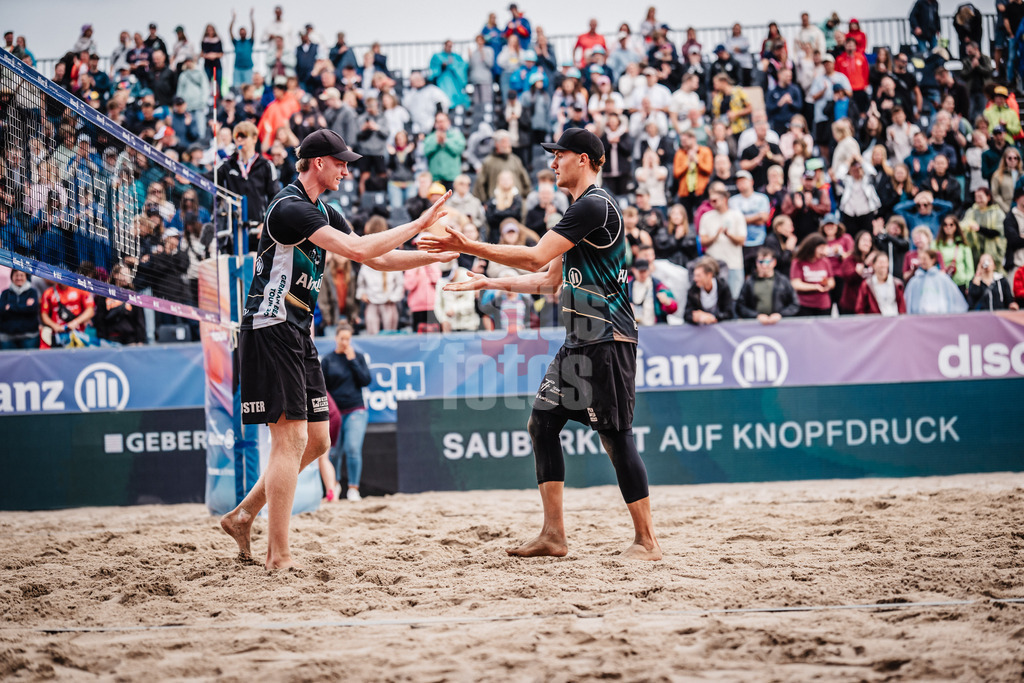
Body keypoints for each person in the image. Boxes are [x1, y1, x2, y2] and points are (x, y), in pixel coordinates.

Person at [419, 128, 661, 561]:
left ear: (584, 160)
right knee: (542, 423)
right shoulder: (578, 212)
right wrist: (490, 280)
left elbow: (533, 256)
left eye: (560, 155)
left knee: (616, 436)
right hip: (580, 339)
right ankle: (553, 535)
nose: (553, 164)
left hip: (607, 336)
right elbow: (548, 279)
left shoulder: (594, 205)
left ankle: (647, 542)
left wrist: (468, 245)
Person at [220, 129, 456, 570]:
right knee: (289, 440)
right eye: (341, 162)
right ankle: (279, 556)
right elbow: (357, 247)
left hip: (298, 329)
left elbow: (376, 258)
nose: (347, 170)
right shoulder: (290, 207)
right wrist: (421, 224)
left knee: (318, 439)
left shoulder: (323, 208)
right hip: (271, 325)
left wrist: (434, 256)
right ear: (317, 163)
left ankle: (243, 514)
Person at [320, 324, 371, 502]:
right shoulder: (327, 360)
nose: (344, 342)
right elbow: (322, 388)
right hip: (335, 412)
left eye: (348, 339)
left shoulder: (358, 357)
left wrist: (353, 361)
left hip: (356, 408)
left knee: (353, 449)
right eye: (342, 338)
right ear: (336, 338)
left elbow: (365, 380)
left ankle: (353, 488)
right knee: (333, 452)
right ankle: (334, 485)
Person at [699, 182, 747, 297]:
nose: (712, 203)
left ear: (724, 199)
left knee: (735, 296)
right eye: (711, 201)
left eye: (715, 200)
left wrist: (728, 235)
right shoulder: (706, 217)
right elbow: (703, 241)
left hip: (733, 264)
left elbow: (742, 240)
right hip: (714, 265)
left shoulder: (737, 215)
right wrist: (715, 236)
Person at [735, 247, 800, 324]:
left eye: (767, 261)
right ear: (756, 263)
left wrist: (780, 315)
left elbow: (795, 304)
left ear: (774, 262)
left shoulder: (783, 281)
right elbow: (740, 306)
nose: (764, 265)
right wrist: (756, 315)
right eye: (760, 262)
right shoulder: (749, 282)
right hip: (755, 325)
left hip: (780, 325)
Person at [904, 249, 970, 314]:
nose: (922, 262)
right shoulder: (915, 280)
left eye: (924, 259)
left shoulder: (943, 278)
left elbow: (955, 300)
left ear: (933, 260)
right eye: (920, 259)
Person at [790, 233, 835, 316]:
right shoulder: (798, 262)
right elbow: (795, 284)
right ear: (812, 247)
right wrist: (815, 287)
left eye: (824, 248)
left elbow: (832, 281)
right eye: (821, 248)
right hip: (804, 304)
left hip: (823, 305)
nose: (823, 252)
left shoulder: (825, 261)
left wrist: (827, 285)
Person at [684, 257, 734, 325]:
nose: (695, 279)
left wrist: (712, 318)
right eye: (695, 275)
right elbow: (687, 314)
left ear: (709, 275)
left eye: (698, 276)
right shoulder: (693, 290)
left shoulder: (723, 287)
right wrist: (696, 317)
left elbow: (729, 313)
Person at [627, 258, 677, 325]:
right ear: (633, 270)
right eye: (640, 271)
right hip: (635, 328)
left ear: (649, 270)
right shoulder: (627, 287)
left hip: (655, 327)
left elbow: (674, 308)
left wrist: (667, 302)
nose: (643, 274)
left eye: (644, 271)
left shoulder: (658, 286)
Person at [855, 251, 907, 315]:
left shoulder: (897, 284)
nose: (883, 265)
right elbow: (860, 308)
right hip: (875, 321)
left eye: (885, 262)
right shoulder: (866, 285)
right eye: (880, 262)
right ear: (873, 265)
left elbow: (902, 307)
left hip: (894, 320)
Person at [0, 270, 40, 350]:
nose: (19, 278)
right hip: (7, 337)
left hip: (29, 337)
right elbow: (2, 311)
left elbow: (33, 309)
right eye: (16, 275)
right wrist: (25, 307)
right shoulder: (5, 293)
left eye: (21, 275)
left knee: (29, 362)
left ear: (26, 277)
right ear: (12, 277)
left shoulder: (32, 292)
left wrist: (10, 307)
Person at [230, 10, 256, 87]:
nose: (242, 33)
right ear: (239, 33)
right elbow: (230, 31)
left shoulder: (249, 42)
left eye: (244, 32)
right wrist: (233, 20)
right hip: (237, 68)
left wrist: (251, 18)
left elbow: (253, 30)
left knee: (248, 86)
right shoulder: (236, 42)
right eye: (241, 32)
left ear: (246, 33)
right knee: (237, 87)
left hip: (248, 68)